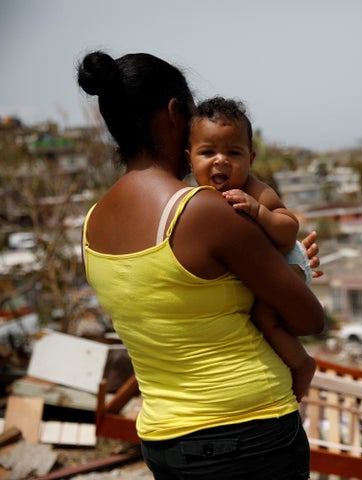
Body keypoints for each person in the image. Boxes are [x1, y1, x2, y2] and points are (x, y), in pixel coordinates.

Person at [77, 50, 324, 479]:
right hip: (250, 435)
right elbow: (308, 318)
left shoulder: (92, 224)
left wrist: (282, 259)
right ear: (176, 116)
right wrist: (293, 272)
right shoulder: (203, 211)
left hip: (163, 442)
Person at [187, 96, 316, 402]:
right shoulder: (198, 196)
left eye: (234, 152)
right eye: (208, 152)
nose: (221, 160)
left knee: (262, 315)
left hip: (290, 264)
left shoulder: (256, 191)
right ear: (189, 158)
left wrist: (259, 211)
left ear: (251, 158)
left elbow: (288, 231)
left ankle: (302, 364)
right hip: (265, 267)